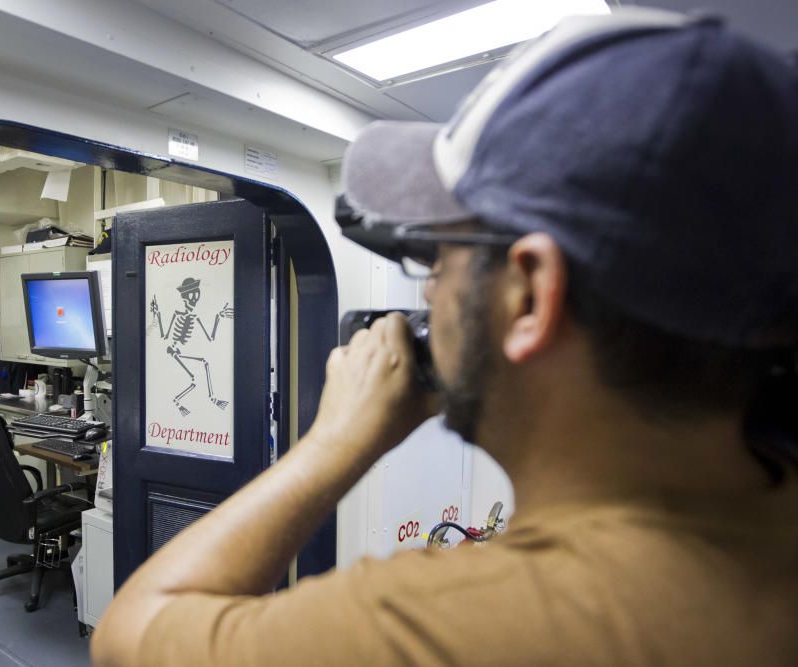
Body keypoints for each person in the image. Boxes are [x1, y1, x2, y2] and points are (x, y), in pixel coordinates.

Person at [92, 8, 798, 666]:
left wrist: (337, 440)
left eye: (439, 257)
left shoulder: (458, 623)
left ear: (527, 296)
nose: (428, 293)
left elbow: (132, 633)